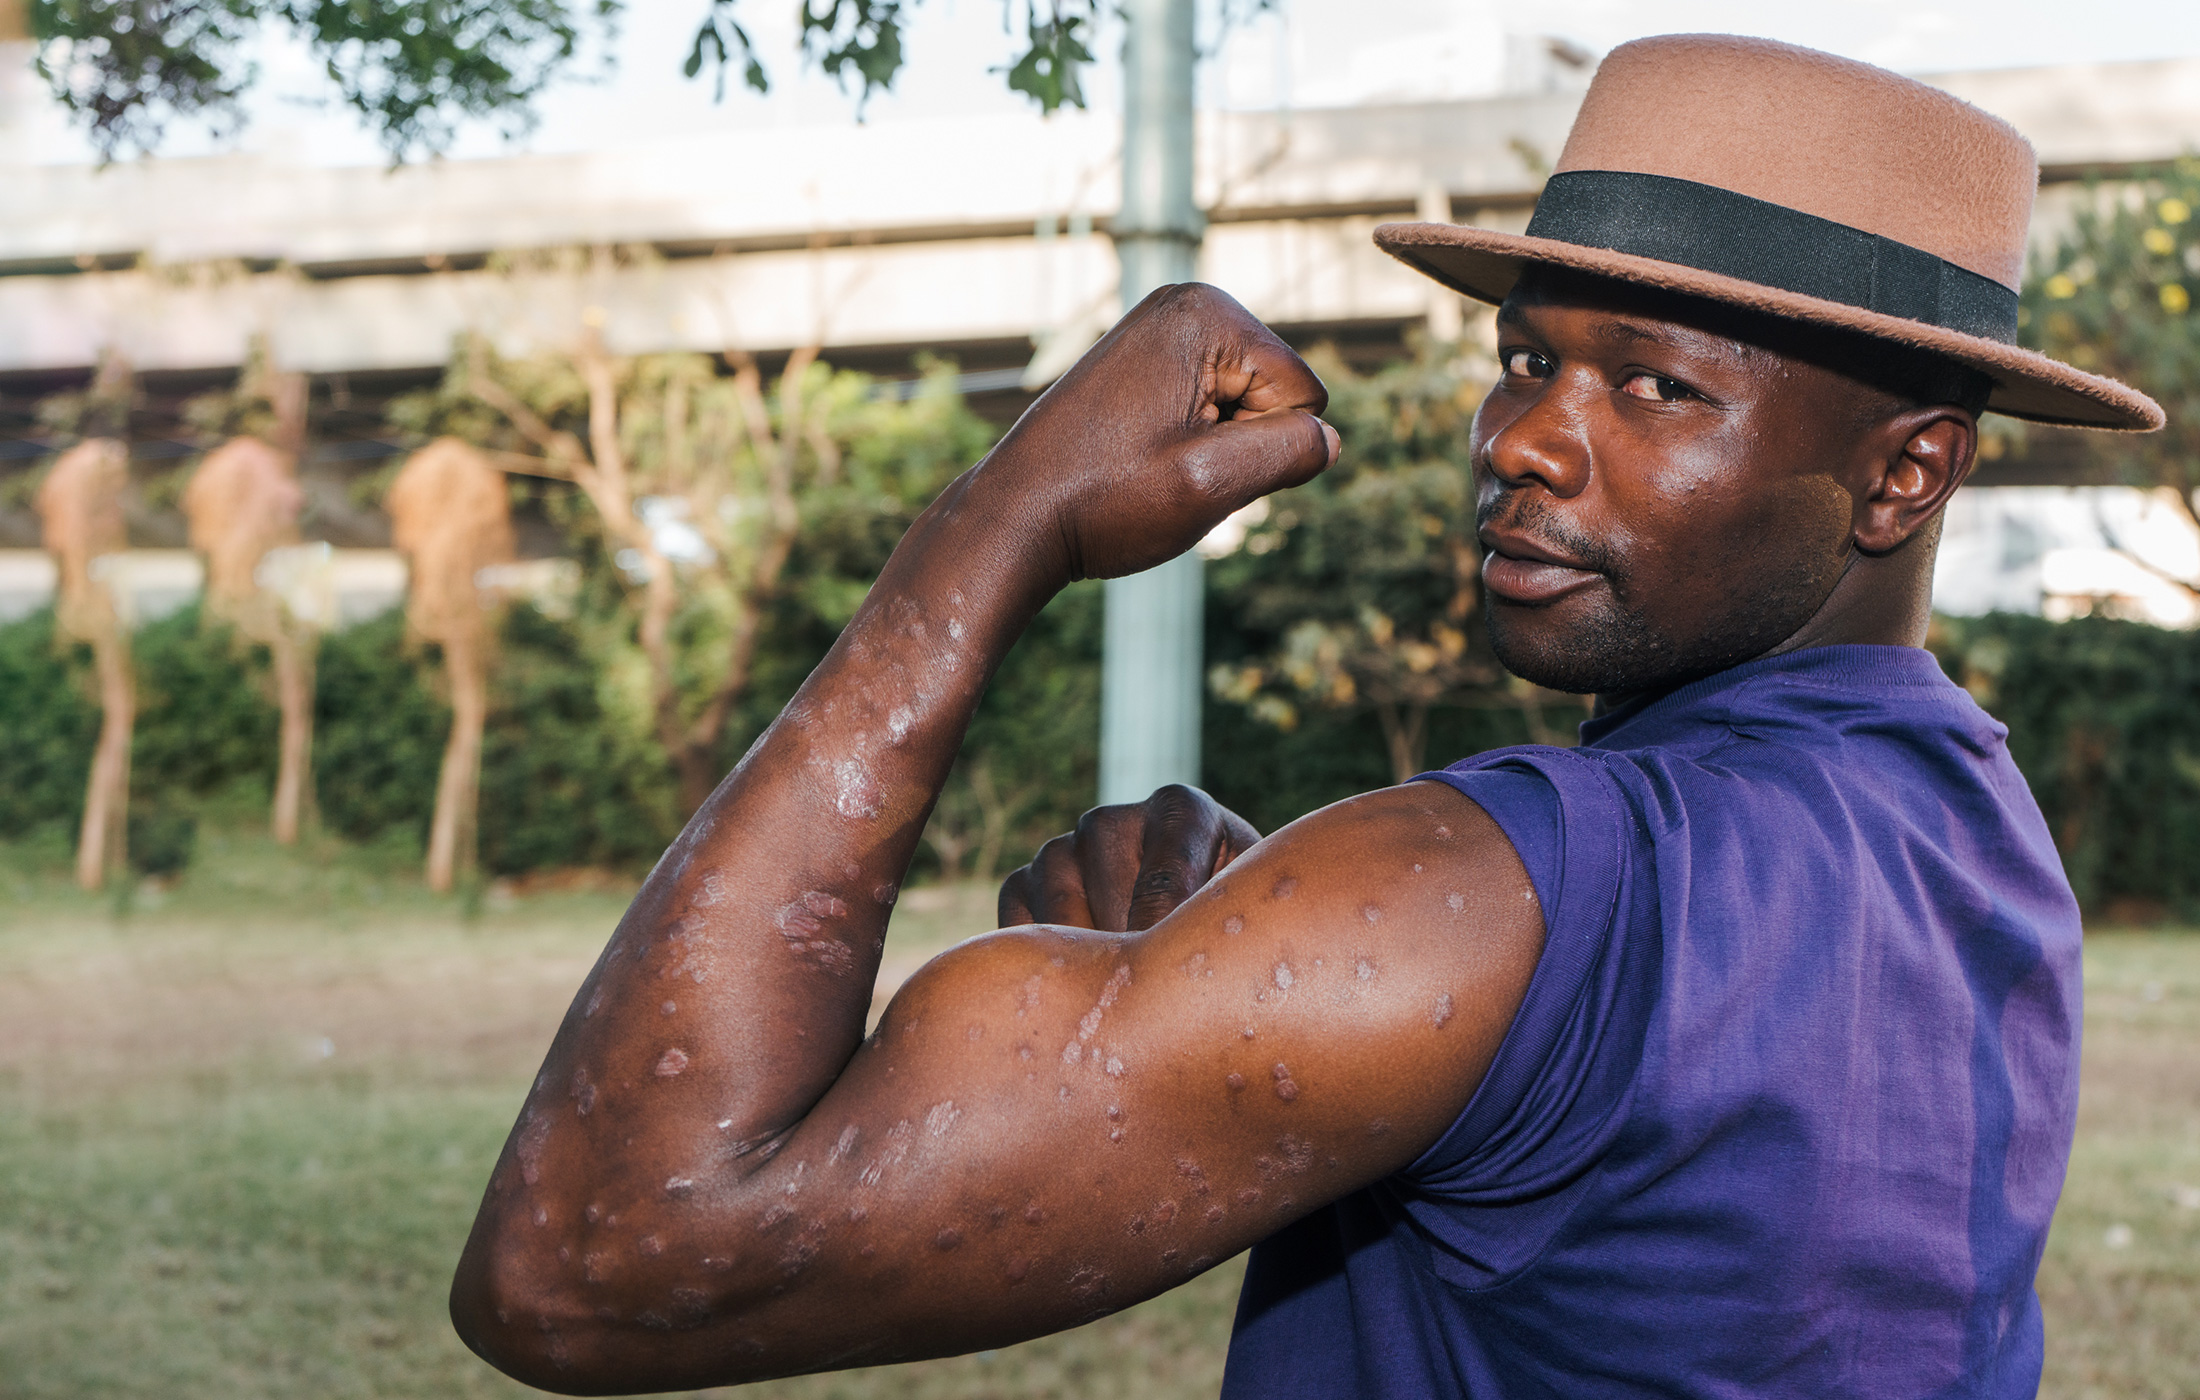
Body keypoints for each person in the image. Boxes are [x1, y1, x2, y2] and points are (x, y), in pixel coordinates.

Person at [449, 34, 2161, 1398]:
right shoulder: (1973, 834)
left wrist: (988, 531)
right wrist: (1301, 928)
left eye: (1654, 385)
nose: (1528, 444)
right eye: (1524, 358)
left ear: (1907, 472)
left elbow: (596, 1263)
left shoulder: (1504, 890)